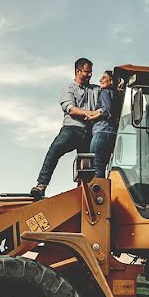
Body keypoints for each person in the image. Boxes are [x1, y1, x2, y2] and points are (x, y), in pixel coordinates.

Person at [30, 58, 98, 199]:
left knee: (87, 166)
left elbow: (106, 100)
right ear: (77, 71)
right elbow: (72, 110)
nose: (90, 75)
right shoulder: (68, 89)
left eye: (91, 72)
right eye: (87, 72)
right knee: (55, 149)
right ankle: (41, 185)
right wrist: (93, 114)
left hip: (89, 133)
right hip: (72, 129)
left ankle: (82, 194)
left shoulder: (95, 90)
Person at [88, 70, 121, 179]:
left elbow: (107, 110)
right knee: (104, 168)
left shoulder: (105, 92)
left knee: (96, 168)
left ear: (111, 81)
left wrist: (92, 117)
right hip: (113, 135)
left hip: (101, 133)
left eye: (104, 78)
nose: (100, 80)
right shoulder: (118, 95)